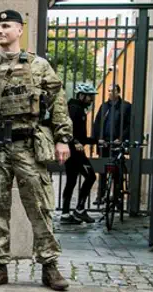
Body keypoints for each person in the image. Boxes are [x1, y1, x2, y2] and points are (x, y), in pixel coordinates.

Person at [0, 10, 73, 291]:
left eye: (6, 26)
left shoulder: (38, 66)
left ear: (20, 30)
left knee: (39, 206)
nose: (0, 31)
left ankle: (49, 267)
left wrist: (62, 138)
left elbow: (58, 102)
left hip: (28, 145)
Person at [61, 83, 98, 225]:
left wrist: (94, 140)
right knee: (91, 177)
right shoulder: (75, 109)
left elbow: (80, 135)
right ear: (81, 96)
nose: (92, 99)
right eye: (90, 96)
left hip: (73, 151)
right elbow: (69, 129)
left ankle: (65, 213)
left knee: (71, 181)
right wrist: (75, 141)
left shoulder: (77, 108)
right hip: (75, 152)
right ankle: (80, 209)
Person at [92, 83, 132, 205]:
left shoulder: (126, 106)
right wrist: (99, 139)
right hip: (105, 143)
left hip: (117, 142)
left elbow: (129, 125)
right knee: (103, 170)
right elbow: (97, 123)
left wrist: (121, 138)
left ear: (118, 92)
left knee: (117, 171)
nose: (110, 93)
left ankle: (117, 197)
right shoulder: (103, 106)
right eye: (108, 91)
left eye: (112, 91)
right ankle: (100, 196)